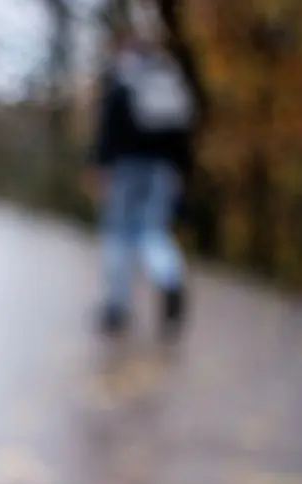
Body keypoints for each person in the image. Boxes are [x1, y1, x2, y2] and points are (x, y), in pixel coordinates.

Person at [84, 14, 197, 337]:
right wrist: (181, 171)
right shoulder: (169, 79)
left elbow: (107, 129)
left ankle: (116, 308)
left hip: (124, 168)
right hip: (162, 170)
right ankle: (170, 278)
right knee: (153, 232)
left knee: (118, 235)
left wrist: (99, 165)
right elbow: (182, 135)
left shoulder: (123, 77)